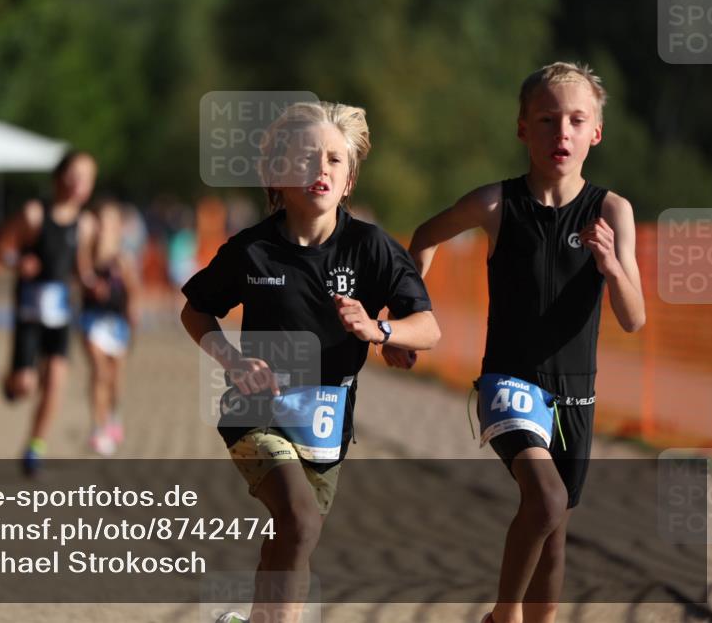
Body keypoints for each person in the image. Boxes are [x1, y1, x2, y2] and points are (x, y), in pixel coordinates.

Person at [403, 62, 646, 623]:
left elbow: (633, 319)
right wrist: (411, 313)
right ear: (522, 129)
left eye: (576, 120)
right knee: (547, 500)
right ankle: (503, 615)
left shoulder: (612, 211)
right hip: (509, 381)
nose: (561, 132)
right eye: (547, 119)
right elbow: (424, 238)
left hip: (576, 392)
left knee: (554, 531)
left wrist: (610, 264)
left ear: (595, 133)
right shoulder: (495, 205)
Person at [180, 101, 440, 623]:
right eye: (305, 158)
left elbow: (428, 328)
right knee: (298, 518)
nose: (320, 169)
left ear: (348, 181)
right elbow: (196, 310)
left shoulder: (372, 248)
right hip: (255, 408)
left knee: (294, 533)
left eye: (334, 160)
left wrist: (379, 329)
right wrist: (231, 361)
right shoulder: (252, 251)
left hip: (326, 420)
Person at [0, 151, 98, 476]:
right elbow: (0, 246)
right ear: (59, 177)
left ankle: (35, 446)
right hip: (29, 312)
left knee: (55, 381)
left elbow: (81, 267)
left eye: (87, 178)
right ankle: (12, 381)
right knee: (25, 386)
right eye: (74, 175)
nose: (80, 184)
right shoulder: (34, 215)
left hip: (61, 314)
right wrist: (17, 262)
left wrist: (95, 284)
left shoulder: (86, 224)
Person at [79, 198, 140, 456]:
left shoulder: (124, 258)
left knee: (114, 378)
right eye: (101, 222)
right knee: (99, 372)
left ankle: (114, 415)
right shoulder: (86, 255)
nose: (105, 228)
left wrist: (133, 313)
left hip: (117, 323)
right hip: (92, 319)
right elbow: (79, 280)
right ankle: (98, 427)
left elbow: (134, 290)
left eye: (111, 223)